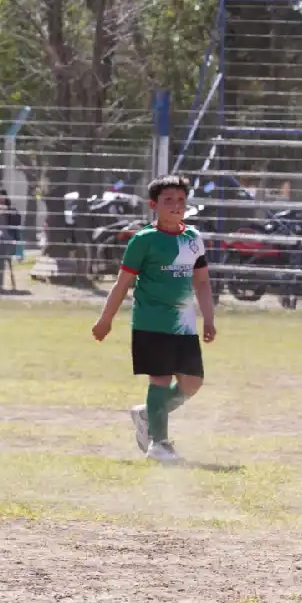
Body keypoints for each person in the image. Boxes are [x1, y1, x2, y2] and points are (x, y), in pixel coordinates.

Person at [91, 174, 216, 463]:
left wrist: (208, 318)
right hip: (151, 322)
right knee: (159, 379)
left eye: (181, 200)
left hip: (184, 324)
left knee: (192, 383)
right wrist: (105, 319)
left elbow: (202, 283)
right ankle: (159, 445)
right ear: (153, 205)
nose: (176, 206)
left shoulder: (193, 239)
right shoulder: (143, 240)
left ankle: (149, 413)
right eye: (168, 200)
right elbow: (122, 283)